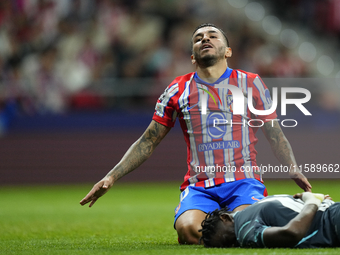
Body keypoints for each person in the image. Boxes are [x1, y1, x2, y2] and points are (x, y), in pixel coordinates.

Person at [79, 23, 312, 244]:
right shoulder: (177, 89)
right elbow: (148, 141)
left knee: (241, 224)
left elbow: (275, 133)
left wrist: (292, 167)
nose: (205, 39)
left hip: (244, 182)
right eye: (198, 38)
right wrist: (111, 177)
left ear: (228, 51)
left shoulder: (251, 83)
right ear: (192, 56)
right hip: (200, 186)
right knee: (190, 230)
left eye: (212, 35)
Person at [200, 192, 340, 248]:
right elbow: (292, 232)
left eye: (228, 239)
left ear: (224, 218)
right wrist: (312, 201)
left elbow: (292, 228)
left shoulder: (245, 224)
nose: (235, 244)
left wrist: (312, 202)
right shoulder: (248, 224)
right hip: (333, 219)